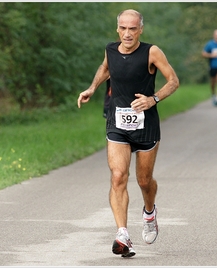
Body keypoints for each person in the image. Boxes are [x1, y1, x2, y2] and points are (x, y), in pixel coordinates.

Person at [77, 9, 179, 257]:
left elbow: (173, 81)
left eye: (132, 28)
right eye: (123, 28)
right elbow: (105, 68)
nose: (127, 33)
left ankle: (149, 212)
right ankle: (122, 234)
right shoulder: (110, 50)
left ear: (140, 30)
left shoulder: (151, 52)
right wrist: (92, 88)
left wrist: (152, 100)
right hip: (117, 124)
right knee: (118, 176)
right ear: (117, 29)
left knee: (144, 181)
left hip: (146, 126)